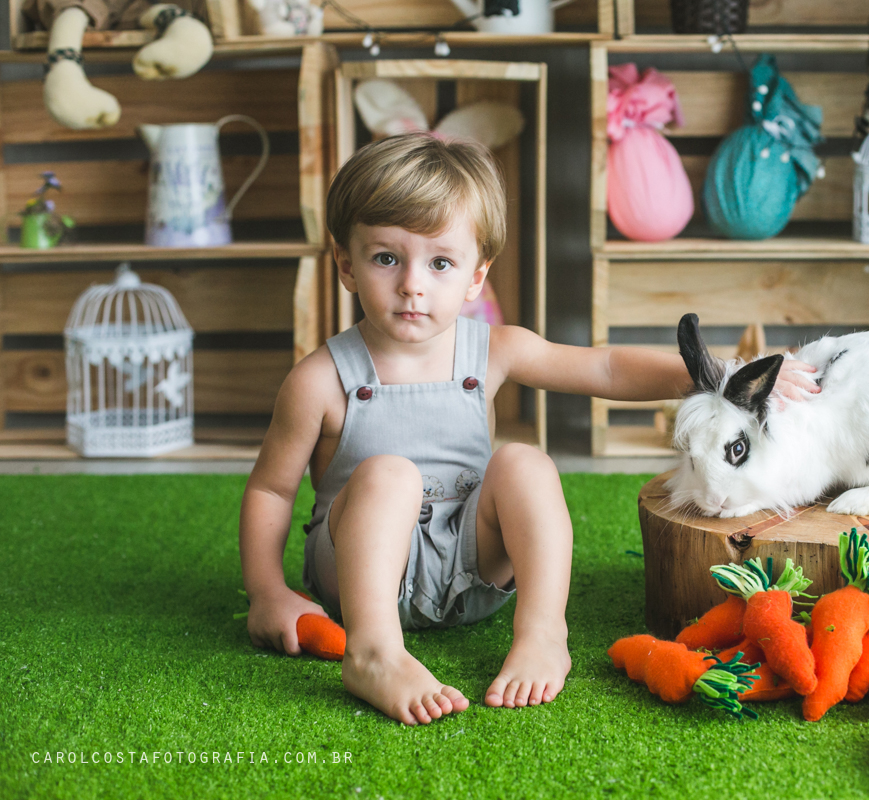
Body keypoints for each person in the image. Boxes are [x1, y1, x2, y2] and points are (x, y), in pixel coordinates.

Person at [238, 133, 819, 726]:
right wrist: (267, 592)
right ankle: (375, 653)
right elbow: (270, 490)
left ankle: (542, 630)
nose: (413, 282)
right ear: (346, 264)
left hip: (472, 574)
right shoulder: (320, 379)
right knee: (389, 475)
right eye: (386, 257)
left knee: (525, 462)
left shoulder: (490, 350)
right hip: (358, 580)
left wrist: (720, 372)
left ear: (475, 277)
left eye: (440, 262)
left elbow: (605, 366)